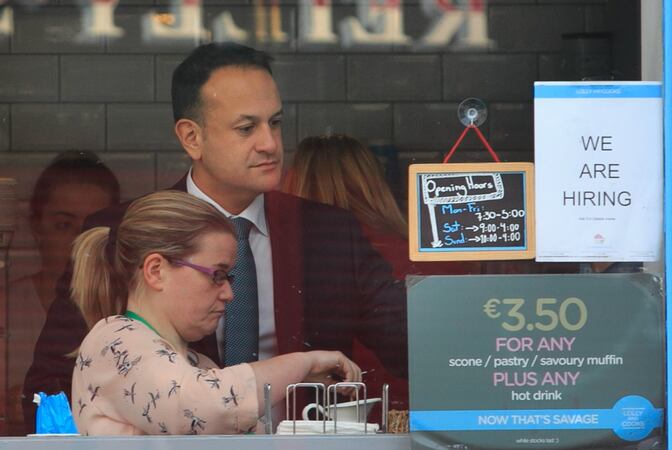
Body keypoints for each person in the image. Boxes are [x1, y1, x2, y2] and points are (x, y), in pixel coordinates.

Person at [23, 42, 406, 432]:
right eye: (246, 127)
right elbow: (50, 389)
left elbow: (411, 343)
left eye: (275, 123)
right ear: (191, 137)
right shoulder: (126, 234)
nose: (270, 144)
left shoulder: (330, 233)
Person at [69, 191, 360, 435]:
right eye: (217, 275)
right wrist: (303, 364)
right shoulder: (114, 340)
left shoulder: (198, 364)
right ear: (156, 271)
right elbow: (203, 405)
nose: (229, 294)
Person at [283, 134, 479, 411]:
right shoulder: (427, 252)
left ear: (296, 183)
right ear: (375, 183)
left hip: (349, 415)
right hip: (439, 411)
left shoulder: (307, 260)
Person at [8, 151, 119, 432]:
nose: (79, 241)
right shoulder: (6, 307)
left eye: (92, 227)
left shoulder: (126, 314)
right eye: (63, 225)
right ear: (36, 227)